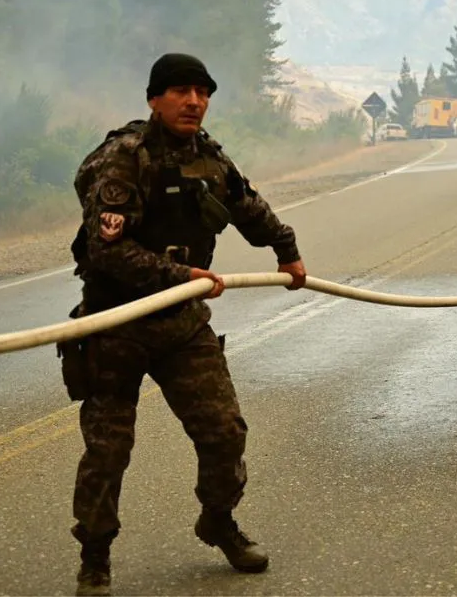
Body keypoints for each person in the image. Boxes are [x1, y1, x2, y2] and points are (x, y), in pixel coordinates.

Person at [63, 53, 308, 596]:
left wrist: (285, 250)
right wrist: (180, 274)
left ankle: (218, 520)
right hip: (115, 325)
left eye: (202, 92)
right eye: (180, 91)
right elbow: (106, 253)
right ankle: (95, 558)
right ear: (154, 99)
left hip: (181, 327)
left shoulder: (210, 160)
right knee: (109, 451)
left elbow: (248, 207)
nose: (194, 102)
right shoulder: (124, 161)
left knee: (224, 434)